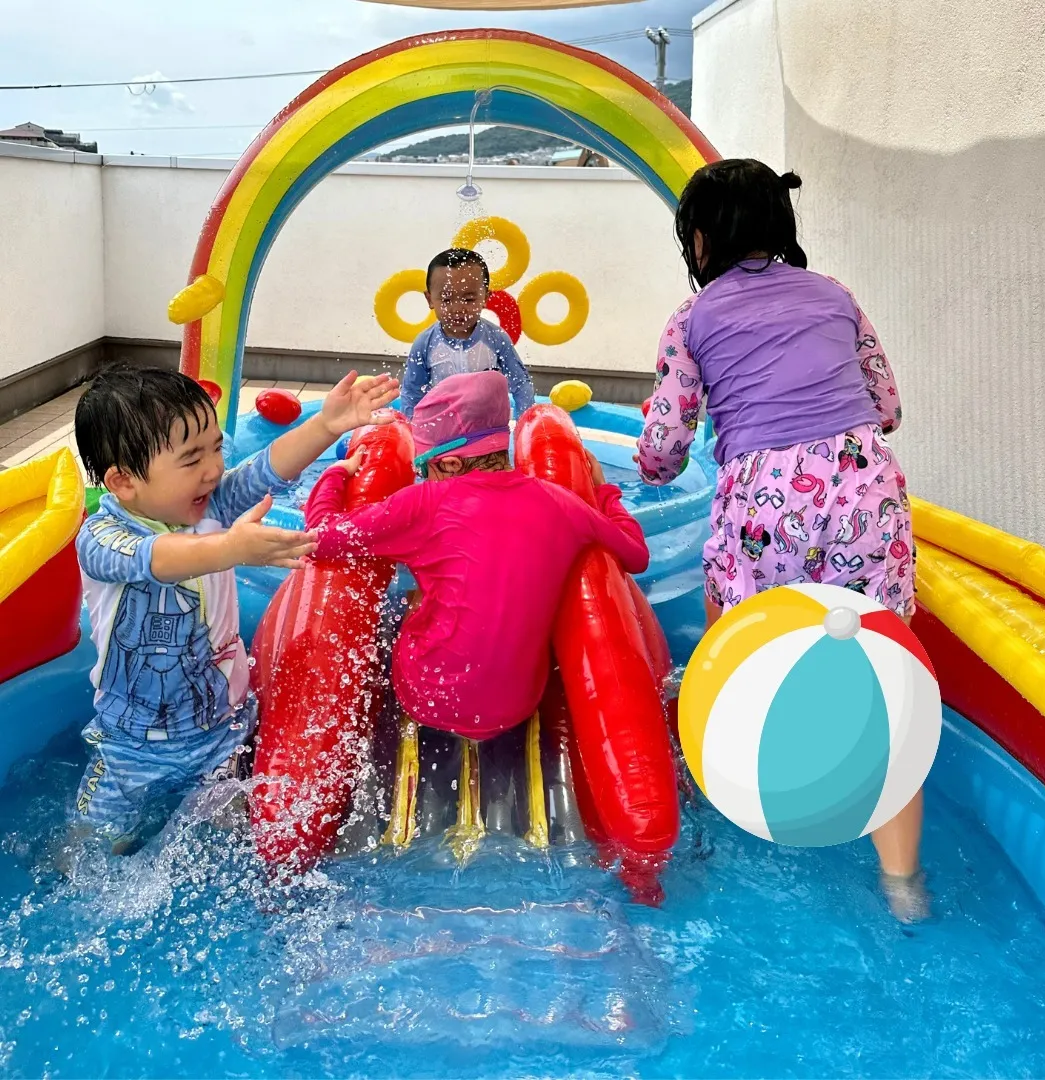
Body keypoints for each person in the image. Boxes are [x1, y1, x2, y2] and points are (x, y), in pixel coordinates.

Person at [636, 158, 926, 922]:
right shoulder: (834, 296)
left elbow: (665, 448)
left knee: (740, 655)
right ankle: (903, 885)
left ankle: (733, 815)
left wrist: (662, 461)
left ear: (700, 239)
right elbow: (886, 405)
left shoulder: (692, 319)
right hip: (865, 487)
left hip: (766, 500)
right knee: (881, 663)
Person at [72, 364, 399, 853]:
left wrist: (326, 425)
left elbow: (266, 470)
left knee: (237, 838)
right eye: (191, 459)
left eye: (216, 447)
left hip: (221, 731)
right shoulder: (100, 539)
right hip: (129, 749)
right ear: (123, 482)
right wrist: (232, 548)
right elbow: (157, 560)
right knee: (88, 852)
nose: (214, 468)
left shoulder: (209, 507)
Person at [304, 369, 648, 740]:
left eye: (424, 468)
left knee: (411, 596)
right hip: (517, 705)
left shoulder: (427, 502)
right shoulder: (560, 501)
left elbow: (319, 540)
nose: (423, 478)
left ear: (450, 463)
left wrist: (335, 476)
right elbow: (636, 555)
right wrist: (604, 492)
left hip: (429, 697)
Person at [399, 249, 535, 419]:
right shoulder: (425, 344)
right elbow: (412, 393)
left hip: (489, 428)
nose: (458, 309)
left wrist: (524, 424)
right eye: (447, 300)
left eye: (469, 299)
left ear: (485, 298)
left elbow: (521, 384)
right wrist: (411, 431)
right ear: (430, 299)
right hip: (443, 427)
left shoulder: (496, 338)